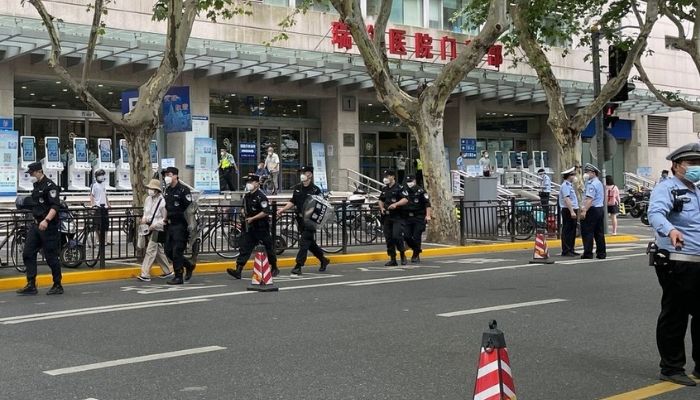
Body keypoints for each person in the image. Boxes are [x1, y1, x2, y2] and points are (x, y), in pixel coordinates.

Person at [648, 142, 700, 386]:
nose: (696, 167)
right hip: (677, 261)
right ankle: (671, 368)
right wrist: (671, 230)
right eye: (691, 163)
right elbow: (656, 214)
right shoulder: (667, 188)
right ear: (677, 166)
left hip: (698, 262)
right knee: (676, 313)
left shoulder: (698, 191)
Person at [16, 162, 63, 295]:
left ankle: (57, 284)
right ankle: (31, 284)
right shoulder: (36, 186)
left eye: (31, 172)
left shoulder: (50, 186)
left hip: (48, 226)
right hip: (36, 225)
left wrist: (47, 220)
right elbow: (36, 204)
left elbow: (55, 206)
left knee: (51, 257)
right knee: (28, 253)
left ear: (39, 171)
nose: (30, 174)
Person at [276, 166, 330, 276]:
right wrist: (282, 209)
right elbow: (293, 201)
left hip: (311, 221)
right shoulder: (297, 188)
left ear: (310, 174)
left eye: (304, 172)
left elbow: (321, 206)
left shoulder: (315, 190)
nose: (302, 174)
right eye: (301, 172)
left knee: (304, 242)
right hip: (300, 219)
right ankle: (323, 259)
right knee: (310, 244)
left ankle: (298, 266)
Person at [227, 174, 279, 279]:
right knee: (245, 247)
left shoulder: (261, 196)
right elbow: (243, 208)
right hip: (250, 227)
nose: (248, 184)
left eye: (250, 182)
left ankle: (274, 266)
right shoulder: (247, 196)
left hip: (261, 227)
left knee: (268, 247)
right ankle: (238, 269)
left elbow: (265, 212)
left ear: (256, 183)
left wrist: (253, 218)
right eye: (248, 182)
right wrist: (243, 213)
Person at [162, 167, 196, 285]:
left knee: (177, 251)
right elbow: (166, 207)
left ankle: (178, 276)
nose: (167, 177)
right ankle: (188, 265)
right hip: (170, 224)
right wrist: (164, 219)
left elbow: (190, 209)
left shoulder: (183, 190)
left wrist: (191, 225)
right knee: (168, 251)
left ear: (176, 175)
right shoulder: (167, 190)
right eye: (166, 174)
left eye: (169, 174)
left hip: (181, 225)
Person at [136, 179, 173, 282]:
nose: (150, 190)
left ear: (157, 190)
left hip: (158, 228)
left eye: (152, 188)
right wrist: (144, 219)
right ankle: (167, 271)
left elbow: (164, 219)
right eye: (149, 188)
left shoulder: (162, 201)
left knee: (151, 250)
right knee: (159, 251)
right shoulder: (148, 199)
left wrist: (155, 225)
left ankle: (145, 273)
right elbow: (146, 212)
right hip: (148, 226)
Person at [379, 169, 409, 266]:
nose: (385, 178)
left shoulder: (400, 188)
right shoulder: (384, 189)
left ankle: (402, 255)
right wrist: (382, 208)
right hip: (387, 217)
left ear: (393, 177)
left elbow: (405, 199)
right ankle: (392, 259)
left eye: (387, 176)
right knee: (389, 238)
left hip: (397, 216)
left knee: (397, 236)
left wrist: (396, 204)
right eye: (385, 176)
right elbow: (381, 199)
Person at [579, 163, 606, 259]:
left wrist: (584, 211)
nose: (585, 174)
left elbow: (589, 199)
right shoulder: (598, 183)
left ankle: (588, 253)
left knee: (587, 232)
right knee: (599, 232)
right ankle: (601, 253)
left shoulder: (592, 184)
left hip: (592, 210)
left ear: (593, 173)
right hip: (599, 209)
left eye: (587, 172)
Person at [402, 175, 431, 263]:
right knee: (406, 236)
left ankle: (415, 255)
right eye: (408, 182)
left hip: (418, 217)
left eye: (410, 181)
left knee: (416, 236)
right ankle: (417, 249)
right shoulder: (405, 191)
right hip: (407, 217)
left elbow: (427, 204)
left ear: (414, 181)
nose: (409, 183)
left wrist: (428, 215)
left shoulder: (421, 191)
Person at [558, 167, 579, 257]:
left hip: (572, 209)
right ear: (568, 176)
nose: (574, 176)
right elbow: (567, 199)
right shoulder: (565, 186)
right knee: (567, 230)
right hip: (568, 209)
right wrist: (572, 211)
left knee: (572, 230)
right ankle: (566, 250)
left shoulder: (569, 185)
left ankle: (571, 249)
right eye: (573, 174)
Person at [90, 169, 111, 245]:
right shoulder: (94, 185)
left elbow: (105, 195)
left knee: (106, 225)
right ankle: (98, 240)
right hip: (98, 207)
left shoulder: (103, 185)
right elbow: (91, 196)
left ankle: (105, 240)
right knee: (97, 225)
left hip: (104, 207)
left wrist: (108, 204)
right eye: (100, 175)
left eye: (102, 175)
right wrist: (93, 205)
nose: (101, 177)